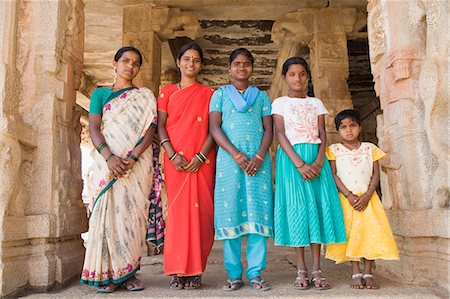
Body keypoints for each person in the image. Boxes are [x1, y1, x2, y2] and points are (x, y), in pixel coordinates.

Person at [80, 46, 159, 293]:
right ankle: (105, 274)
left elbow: (150, 129)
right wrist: (109, 157)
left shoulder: (144, 96)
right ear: (115, 64)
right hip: (107, 166)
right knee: (105, 217)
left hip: (135, 166)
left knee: (131, 217)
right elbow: (94, 128)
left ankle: (129, 273)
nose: (130, 66)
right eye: (126, 61)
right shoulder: (101, 94)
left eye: (136, 63)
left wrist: (133, 158)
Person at [272, 57, 347, 290]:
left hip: (316, 158)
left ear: (308, 77)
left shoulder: (316, 103)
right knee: (298, 210)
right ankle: (301, 268)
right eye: (292, 74)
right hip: (292, 161)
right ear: (285, 78)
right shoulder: (279, 103)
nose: (297, 78)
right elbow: (280, 134)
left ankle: (317, 269)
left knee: (316, 208)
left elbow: (323, 134)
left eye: (302, 74)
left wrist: (317, 161)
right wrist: (300, 164)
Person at [209, 48, 273, 292]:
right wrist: (235, 154)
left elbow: (268, 129)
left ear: (252, 68)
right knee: (231, 213)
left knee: (258, 214)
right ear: (229, 68)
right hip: (228, 162)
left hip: (259, 162)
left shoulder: (262, 97)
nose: (241, 68)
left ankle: (256, 273)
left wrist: (258, 155)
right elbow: (215, 128)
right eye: (237, 63)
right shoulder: (220, 95)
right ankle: (234, 274)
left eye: (246, 64)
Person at [157, 43, 215, 290]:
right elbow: (160, 125)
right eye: (187, 59)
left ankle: (195, 270)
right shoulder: (167, 91)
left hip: (201, 162)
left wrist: (201, 156)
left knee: (201, 214)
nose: (191, 64)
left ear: (201, 65)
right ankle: (177, 270)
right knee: (177, 215)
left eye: (196, 60)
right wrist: (171, 154)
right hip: (176, 162)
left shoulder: (209, 94)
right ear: (179, 62)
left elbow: (214, 129)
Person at [325, 109, 400, 289]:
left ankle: (368, 272)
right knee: (352, 234)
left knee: (370, 232)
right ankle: (356, 271)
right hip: (347, 200)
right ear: (338, 130)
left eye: (352, 125)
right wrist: (349, 195)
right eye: (343, 127)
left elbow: (375, 174)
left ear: (360, 127)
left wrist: (367, 195)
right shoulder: (333, 150)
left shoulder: (370, 148)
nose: (348, 130)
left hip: (369, 199)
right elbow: (333, 175)